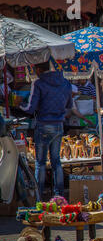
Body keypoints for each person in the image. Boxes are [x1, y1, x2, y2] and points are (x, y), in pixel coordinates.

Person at [19, 61, 72, 198]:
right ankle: (59, 196)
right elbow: (69, 106)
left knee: (40, 163)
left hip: (43, 124)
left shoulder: (38, 83)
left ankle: (38, 197)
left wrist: (19, 104)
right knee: (56, 161)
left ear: (38, 69)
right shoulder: (65, 83)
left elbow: (30, 108)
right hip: (59, 125)